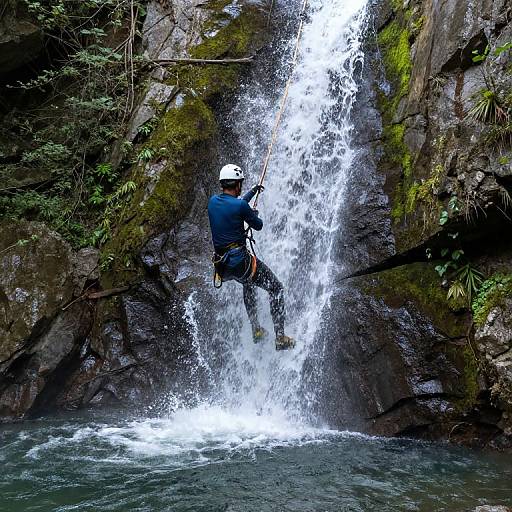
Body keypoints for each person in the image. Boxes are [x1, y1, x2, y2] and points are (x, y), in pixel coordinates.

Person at [208, 164, 295, 351]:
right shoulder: (240, 206)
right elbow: (258, 225)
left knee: (248, 283)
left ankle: (256, 329)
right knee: (277, 288)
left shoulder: (212, 202)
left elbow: (235, 205)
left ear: (223, 183)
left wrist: (252, 193)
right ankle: (280, 336)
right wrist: (252, 214)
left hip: (223, 267)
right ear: (238, 184)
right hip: (242, 263)